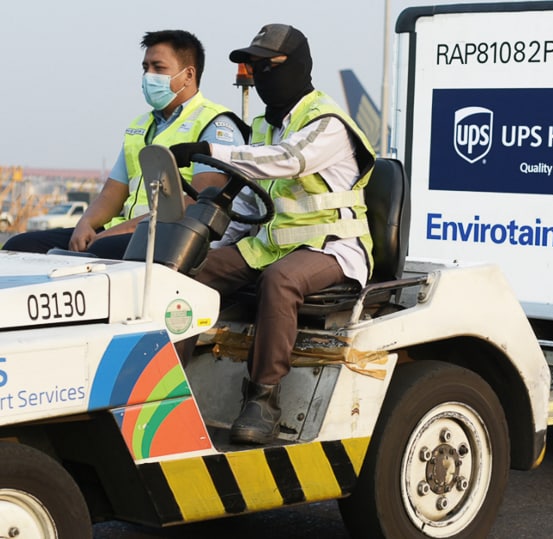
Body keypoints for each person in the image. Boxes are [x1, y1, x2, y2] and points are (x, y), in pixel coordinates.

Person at [168, 23, 377, 445]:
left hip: (332, 247)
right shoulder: (265, 126)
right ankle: (166, 392)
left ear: (298, 65)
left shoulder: (328, 121)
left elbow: (288, 160)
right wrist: (210, 244)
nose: (261, 74)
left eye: (270, 65)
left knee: (280, 280)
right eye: (254, 66)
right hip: (271, 244)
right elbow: (251, 202)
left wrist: (211, 151)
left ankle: (262, 399)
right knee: (189, 274)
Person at [4, 30, 245, 258]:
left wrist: (114, 233)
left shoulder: (215, 124)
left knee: (99, 251)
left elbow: (199, 202)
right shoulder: (139, 126)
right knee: (20, 246)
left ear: (188, 74)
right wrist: (85, 223)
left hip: (172, 237)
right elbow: (112, 193)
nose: (148, 75)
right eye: (145, 67)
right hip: (127, 232)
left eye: (158, 68)